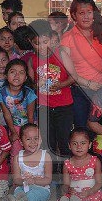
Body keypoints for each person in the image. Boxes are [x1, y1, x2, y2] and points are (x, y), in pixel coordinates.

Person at [59, 0, 102, 129]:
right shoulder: (67, 38)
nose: (86, 16)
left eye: (89, 12)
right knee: (83, 129)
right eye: (81, 13)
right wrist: (89, 83)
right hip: (81, 91)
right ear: (74, 15)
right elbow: (68, 71)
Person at [28, 20, 74, 157]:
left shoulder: (61, 55)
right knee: (49, 143)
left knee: (64, 141)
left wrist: (61, 84)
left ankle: (67, 173)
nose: (41, 47)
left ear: (51, 39)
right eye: (37, 43)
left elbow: (73, 77)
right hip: (44, 107)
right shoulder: (32, 60)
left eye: (45, 42)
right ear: (30, 42)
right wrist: (37, 84)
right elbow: (31, 83)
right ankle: (52, 174)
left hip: (64, 106)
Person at [4, 123, 53, 201]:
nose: (33, 142)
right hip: (22, 187)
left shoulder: (46, 156)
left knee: (31, 196)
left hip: (41, 189)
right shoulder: (18, 158)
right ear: (21, 142)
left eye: (36, 138)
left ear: (40, 139)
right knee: (18, 193)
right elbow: (16, 179)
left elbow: (48, 180)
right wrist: (24, 181)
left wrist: (34, 181)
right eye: (28, 139)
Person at [59, 128, 102, 201]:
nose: (79, 147)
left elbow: (99, 183)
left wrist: (90, 192)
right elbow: (65, 184)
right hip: (74, 193)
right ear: (69, 146)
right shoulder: (67, 164)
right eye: (75, 143)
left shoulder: (95, 161)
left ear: (89, 145)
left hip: (91, 192)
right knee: (68, 199)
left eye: (83, 143)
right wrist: (68, 189)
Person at [0, 59, 37, 154]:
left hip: (29, 125)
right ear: (6, 75)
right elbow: (7, 114)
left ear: (26, 77)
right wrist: (13, 132)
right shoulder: (1, 93)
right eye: (13, 72)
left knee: (31, 150)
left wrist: (29, 133)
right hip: (14, 126)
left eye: (21, 73)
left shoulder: (29, 93)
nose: (17, 75)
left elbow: (30, 116)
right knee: (16, 152)